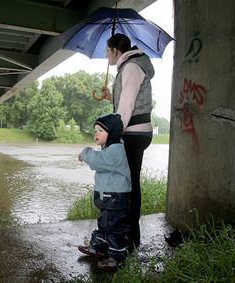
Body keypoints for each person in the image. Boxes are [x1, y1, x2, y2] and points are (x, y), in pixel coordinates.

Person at [101, 33, 155, 251]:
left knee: (129, 184)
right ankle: (128, 235)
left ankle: (129, 237)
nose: (107, 56)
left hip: (133, 133)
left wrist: (113, 135)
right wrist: (109, 97)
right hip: (136, 132)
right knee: (128, 181)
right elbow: (125, 100)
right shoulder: (129, 66)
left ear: (115, 50)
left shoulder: (131, 67)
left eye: (107, 52)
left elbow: (127, 105)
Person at [77, 113, 131, 271]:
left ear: (112, 132)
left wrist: (85, 153)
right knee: (104, 224)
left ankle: (116, 257)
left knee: (114, 227)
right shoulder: (110, 149)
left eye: (101, 130)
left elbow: (96, 160)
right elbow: (99, 160)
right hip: (108, 197)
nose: (96, 133)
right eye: (95, 130)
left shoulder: (116, 150)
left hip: (115, 198)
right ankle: (98, 247)